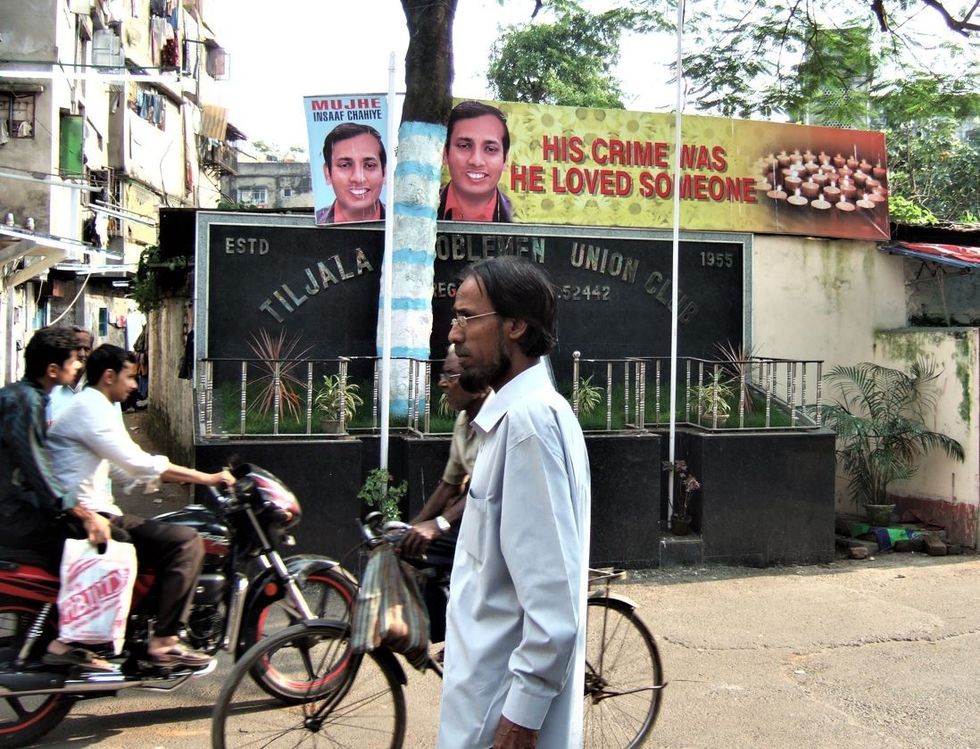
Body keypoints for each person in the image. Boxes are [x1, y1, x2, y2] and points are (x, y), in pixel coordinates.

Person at [437, 257, 591, 749]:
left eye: (466, 317)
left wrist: (519, 720)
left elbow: (552, 602)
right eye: (454, 317)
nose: (453, 335)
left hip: (495, 718)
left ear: (516, 325)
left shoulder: (528, 425)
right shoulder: (519, 417)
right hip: (483, 699)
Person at [47, 344, 235, 669]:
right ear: (109, 376)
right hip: (83, 515)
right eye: (130, 377)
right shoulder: (90, 409)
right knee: (186, 543)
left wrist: (174, 476)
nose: (134, 385)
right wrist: (207, 477)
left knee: (169, 531)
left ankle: (141, 630)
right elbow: (137, 463)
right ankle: (164, 641)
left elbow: (124, 468)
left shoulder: (100, 407)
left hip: (96, 508)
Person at [0, 327, 114, 671]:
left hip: (14, 508)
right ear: (53, 370)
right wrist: (83, 514)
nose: (80, 366)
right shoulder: (26, 402)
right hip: (12, 515)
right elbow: (36, 468)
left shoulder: (24, 396)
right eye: (74, 360)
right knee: (98, 547)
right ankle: (70, 642)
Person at [401, 345, 491, 643]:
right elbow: (450, 484)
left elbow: (483, 488)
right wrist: (414, 526)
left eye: (451, 375)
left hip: (497, 528)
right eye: (443, 374)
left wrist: (438, 524)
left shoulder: (496, 422)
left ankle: (464, 637)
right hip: (475, 521)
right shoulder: (464, 420)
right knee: (416, 548)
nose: (442, 383)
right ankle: (449, 634)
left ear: (478, 383)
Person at [438, 100, 513, 223]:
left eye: (490, 149)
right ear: (445, 154)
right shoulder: (419, 210)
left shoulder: (520, 216)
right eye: (464, 146)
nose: (476, 161)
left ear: (505, 160)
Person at [315, 123, 387, 224]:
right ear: (327, 173)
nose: (358, 178)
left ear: (384, 172)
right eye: (345, 165)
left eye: (369, 165)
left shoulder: (402, 224)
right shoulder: (307, 228)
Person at [47, 326, 93, 424]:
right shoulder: (51, 386)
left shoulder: (99, 386)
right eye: (77, 348)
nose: (82, 354)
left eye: (86, 349)